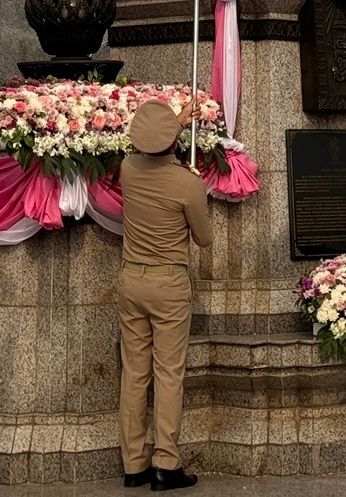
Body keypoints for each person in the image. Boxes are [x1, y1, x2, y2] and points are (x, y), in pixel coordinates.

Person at [117, 98, 214, 490]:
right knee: (168, 373)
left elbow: (149, 147)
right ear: (174, 140)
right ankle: (166, 463)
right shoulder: (187, 183)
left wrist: (172, 122)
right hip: (169, 285)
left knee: (134, 373)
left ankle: (133, 464)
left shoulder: (127, 170)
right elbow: (204, 239)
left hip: (131, 281)